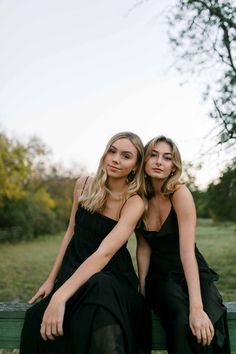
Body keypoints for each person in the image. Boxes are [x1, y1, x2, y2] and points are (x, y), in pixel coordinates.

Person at [20, 131, 148, 354]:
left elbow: (104, 253)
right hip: (74, 271)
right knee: (35, 319)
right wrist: (52, 280)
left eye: (126, 156)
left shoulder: (134, 202)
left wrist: (60, 297)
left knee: (100, 287)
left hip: (112, 280)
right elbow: (71, 232)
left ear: (136, 166)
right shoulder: (83, 184)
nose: (116, 159)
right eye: (112, 151)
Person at [136, 135, 231, 354]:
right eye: (153, 155)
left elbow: (187, 252)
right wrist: (142, 288)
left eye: (167, 158)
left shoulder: (180, 194)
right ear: (144, 160)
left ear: (173, 166)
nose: (159, 162)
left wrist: (197, 307)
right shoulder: (137, 198)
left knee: (209, 318)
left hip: (193, 270)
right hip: (160, 277)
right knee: (181, 317)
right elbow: (143, 248)